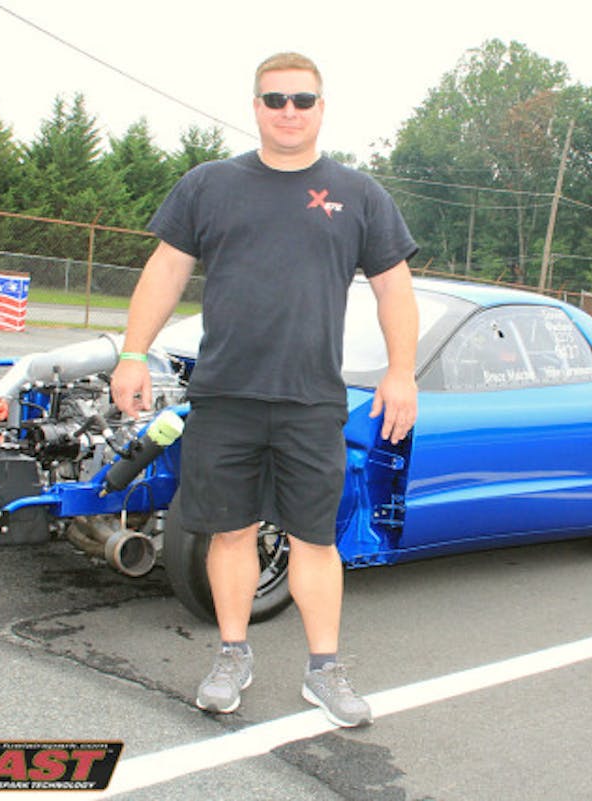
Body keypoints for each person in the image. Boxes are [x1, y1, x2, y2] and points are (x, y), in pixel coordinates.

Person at [110, 52, 419, 728]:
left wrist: (401, 371)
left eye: (302, 101)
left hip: (311, 401)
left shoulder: (359, 194)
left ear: (321, 108)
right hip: (225, 396)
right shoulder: (209, 186)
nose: (288, 111)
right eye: (275, 99)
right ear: (255, 106)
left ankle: (324, 670)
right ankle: (232, 654)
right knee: (231, 532)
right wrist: (133, 351)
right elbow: (165, 270)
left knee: (314, 538)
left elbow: (394, 287)